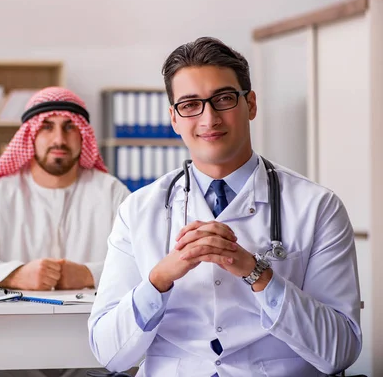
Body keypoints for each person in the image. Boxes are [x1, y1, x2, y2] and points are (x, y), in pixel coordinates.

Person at [89, 37, 362, 377]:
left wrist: (257, 273)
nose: (209, 118)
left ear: (251, 104)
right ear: (174, 119)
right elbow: (107, 353)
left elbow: (340, 351)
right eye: (190, 105)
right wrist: (159, 279)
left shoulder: (318, 207)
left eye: (223, 99)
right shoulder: (138, 210)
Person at [0, 86, 130, 292]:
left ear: (83, 135)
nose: (59, 139)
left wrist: (88, 274)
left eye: (69, 127)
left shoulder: (111, 192)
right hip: (15, 321)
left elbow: (146, 260)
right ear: (30, 136)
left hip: (90, 320)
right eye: (47, 127)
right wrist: (15, 275)